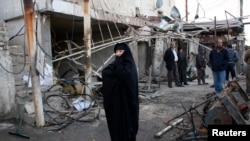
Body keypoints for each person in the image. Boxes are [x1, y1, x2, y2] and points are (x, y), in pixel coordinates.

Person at [101, 43, 139, 141]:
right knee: (116, 126)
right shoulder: (114, 65)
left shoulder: (130, 67)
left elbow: (127, 77)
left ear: (126, 53)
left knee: (127, 127)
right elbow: (105, 73)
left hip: (127, 104)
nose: (118, 54)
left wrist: (117, 75)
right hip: (115, 104)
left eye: (120, 51)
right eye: (116, 51)